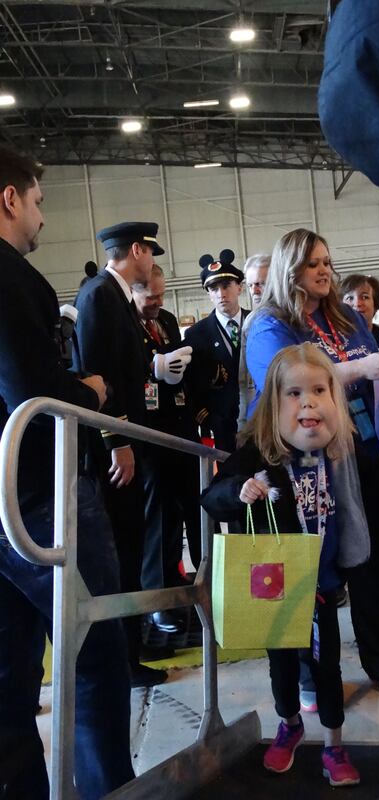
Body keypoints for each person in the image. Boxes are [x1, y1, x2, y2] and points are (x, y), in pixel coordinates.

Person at [200, 344, 379, 786]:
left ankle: (334, 743)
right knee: (282, 666)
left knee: (327, 666)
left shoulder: (343, 451)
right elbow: (212, 497)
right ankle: (290, 723)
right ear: (273, 405)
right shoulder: (260, 453)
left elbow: (378, 474)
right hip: (274, 588)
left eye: (319, 390)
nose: (308, 402)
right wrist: (240, 490)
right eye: (294, 394)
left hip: (322, 584)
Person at [0, 147, 134, 797]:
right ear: (9, 199)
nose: (42, 219)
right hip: (40, 497)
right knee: (96, 661)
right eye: (38, 202)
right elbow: (31, 391)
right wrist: (93, 392)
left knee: (9, 679)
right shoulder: (15, 278)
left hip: (1, 508)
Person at [245, 228, 379, 707]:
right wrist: (363, 369)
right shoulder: (269, 324)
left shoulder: (343, 318)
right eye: (312, 263)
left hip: (361, 451)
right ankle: (310, 676)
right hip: (301, 463)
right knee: (306, 573)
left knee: (374, 563)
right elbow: (286, 379)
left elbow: (370, 368)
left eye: (326, 261)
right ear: (290, 268)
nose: (324, 270)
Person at [75, 221, 170, 688]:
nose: (153, 263)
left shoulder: (112, 297)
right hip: (116, 451)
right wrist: (119, 442)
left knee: (132, 550)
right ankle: (123, 661)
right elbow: (96, 375)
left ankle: (131, 653)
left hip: (128, 444)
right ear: (136, 250)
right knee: (121, 554)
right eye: (150, 253)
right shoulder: (99, 296)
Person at [132, 264, 199, 631]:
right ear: (134, 291)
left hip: (178, 429)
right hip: (148, 434)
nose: (157, 302)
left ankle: (175, 585)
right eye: (150, 296)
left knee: (177, 513)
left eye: (161, 294)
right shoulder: (127, 322)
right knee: (156, 516)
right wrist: (151, 368)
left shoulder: (167, 320)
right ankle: (156, 598)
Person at [184, 250, 250, 454]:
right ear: (208, 294)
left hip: (261, 417)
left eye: (226, 286)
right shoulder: (196, 334)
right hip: (222, 426)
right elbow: (191, 384)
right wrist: (209, 418)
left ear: (239, 287)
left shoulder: (258, 322)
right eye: (213, 288)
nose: (221, 294)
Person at [238, 253, 271, 428]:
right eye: (250, 285)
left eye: (260, 284)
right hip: (265, 411)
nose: (254, 291)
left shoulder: (296, 314)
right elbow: (245, 380)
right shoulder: (251, 322)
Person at [340, 273, 379, 346]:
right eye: (350, 298)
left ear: (376, 304)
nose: (357, 303)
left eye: (364, 297)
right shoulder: (332, 343)